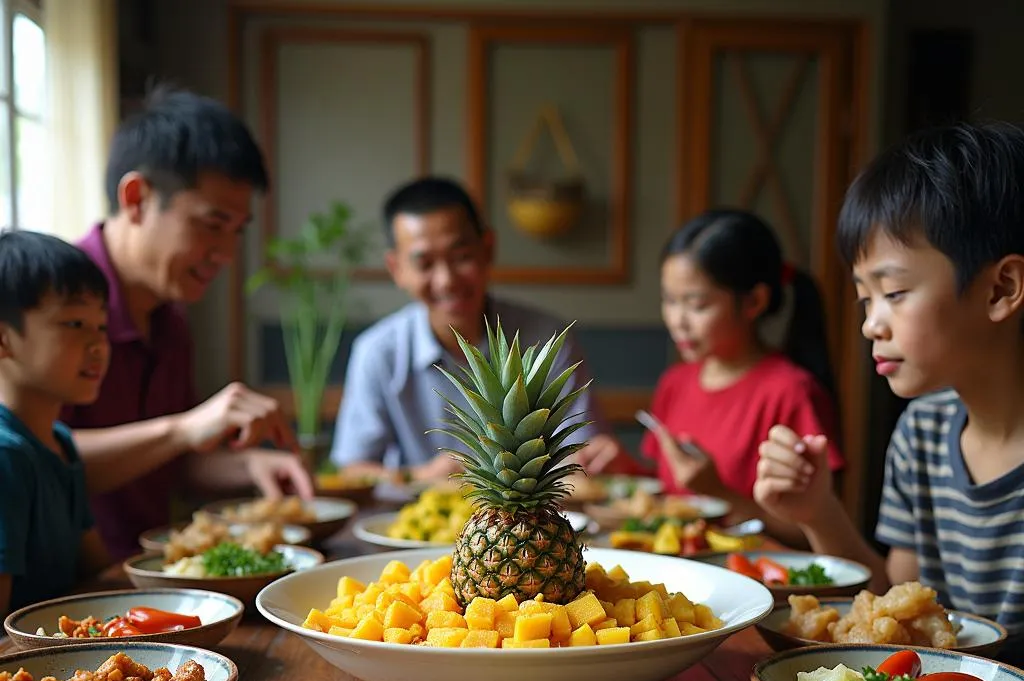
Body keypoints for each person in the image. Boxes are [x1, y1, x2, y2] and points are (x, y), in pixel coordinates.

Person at [754, 122, 1024, 658]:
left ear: (1001, 289)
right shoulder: (922, 432)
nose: (871, 325)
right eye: (865, 299)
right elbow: (892, 605)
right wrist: (819, 513)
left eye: (895, 293)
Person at [63, 86, 312, 559]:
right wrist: (180, 429)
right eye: (211, 224)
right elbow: (31, 460)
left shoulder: (170, 318)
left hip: (151, 576)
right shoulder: (51, 303)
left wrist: (250, 466)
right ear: (136, 199)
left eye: (236, 231)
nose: (226, 254)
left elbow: (169, 464)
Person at [329, 176, 627, 481]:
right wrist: (419, 476)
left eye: (462, 257)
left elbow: (586, 451)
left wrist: (597, 456)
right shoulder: (378, 352)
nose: (446, 280)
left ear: (488, 249)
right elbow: (352, 470)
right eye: (425, 264)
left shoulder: (546, 340)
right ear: (397, 269)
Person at [639, 209, 843, 546]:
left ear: (754, 301)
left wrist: (718, 492)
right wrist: (620, 465)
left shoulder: (791, 392)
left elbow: (814, 533)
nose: (678, 320)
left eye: (697, 305)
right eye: (669, 301)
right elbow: (667, 491)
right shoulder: (675, 382)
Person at [0, 231, 111, 615]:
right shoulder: (5, 455)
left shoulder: (59, 441)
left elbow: (95, 570)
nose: (98, 345)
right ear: (3, 339)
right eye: (76, 324)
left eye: (102, 326)